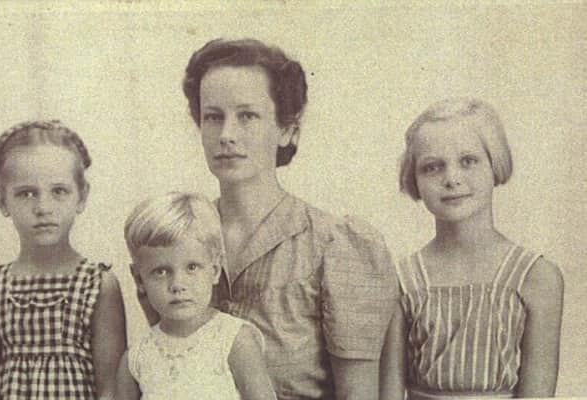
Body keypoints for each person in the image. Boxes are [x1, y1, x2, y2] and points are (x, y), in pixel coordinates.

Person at [133, 38, 399, 400]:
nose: (226, 135)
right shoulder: (178, 239)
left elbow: (358, 395)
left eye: (247, 116)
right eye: (213, 117)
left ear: (287, 130)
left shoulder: (335, 244)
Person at [393, 98, 564, 399]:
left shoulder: (537, 277)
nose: (452, 179)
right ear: (414, 179)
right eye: (432, 167)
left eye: (468, 161)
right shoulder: (401, 280)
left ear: (495, 165)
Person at [0, 120, 127, 400]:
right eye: (27, 193)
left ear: (82, 196)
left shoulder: (97, 286)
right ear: (2, 201)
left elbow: (111, 390)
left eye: (59, 191)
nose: (43, 208)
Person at [118, 192, 275, 400]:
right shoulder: (136, 359)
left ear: (215, 270)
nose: (177, 285)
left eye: (192, 267)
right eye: (161, 271)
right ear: (139, 279)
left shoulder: (234, 341)